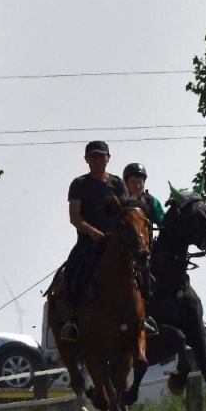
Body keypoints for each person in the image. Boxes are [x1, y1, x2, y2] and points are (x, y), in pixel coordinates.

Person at [59, 140, 128, 342]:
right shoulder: (79, 184)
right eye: (93, 157)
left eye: (101, 156)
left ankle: (146, 315)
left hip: (117, 242)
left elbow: (125, 212)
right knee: (72, 270)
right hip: (89, 242)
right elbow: (75, 217)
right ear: (86, 159)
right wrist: (94, 233)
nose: (97, 160)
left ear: (108, 158)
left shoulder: (117, 183)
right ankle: (72, 319)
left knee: (142, 268)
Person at [121, 163, 165, 230]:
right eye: (133, 182)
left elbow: (163, 224)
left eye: (140, 182)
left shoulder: (152, 202)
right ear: (126, 184)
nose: (137, 186)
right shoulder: (120, 200)